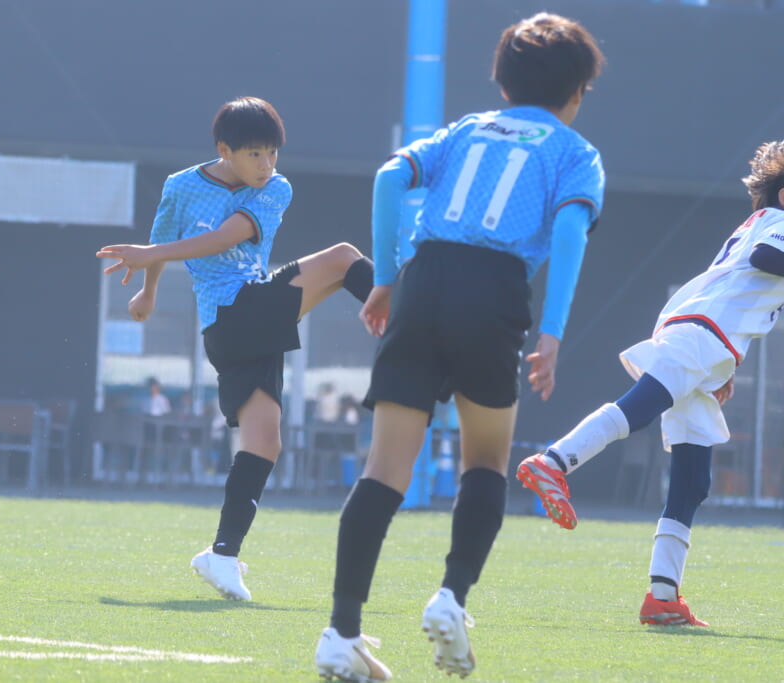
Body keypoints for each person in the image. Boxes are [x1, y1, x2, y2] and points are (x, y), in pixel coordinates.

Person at [314, 14, 605, 681]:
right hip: (493, 290)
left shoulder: (467, 129)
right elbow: (569, 233)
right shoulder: (574, 152)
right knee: (486, 461)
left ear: (502, 83)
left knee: (383, 469)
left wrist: (386, 277)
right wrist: (552, 331)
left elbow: (390, 177)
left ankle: (340, 631)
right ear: (577, 91)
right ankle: (450, 597)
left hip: (423, 281)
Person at [97, 96, 374, 602]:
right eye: (254, 154)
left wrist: (152, 256)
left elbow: (227, 237)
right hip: (233, 314)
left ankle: (222, 555)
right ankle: (411, 328)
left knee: (264, 443)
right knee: (342, 258)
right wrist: (149, 292)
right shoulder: (181, 185)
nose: (266, 164)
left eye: (273, 153)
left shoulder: (276, 187)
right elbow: (162, 237)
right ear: (224, 150)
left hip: (245, 321)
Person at [517, 139, 784, 629]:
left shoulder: (763, 221)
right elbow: (768, 259)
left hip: (704, 337)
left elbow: (743, 289)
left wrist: (723, 368)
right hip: (701, 333)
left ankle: (662, 596)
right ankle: (553, 462)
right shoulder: (776, 225)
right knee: (639, 407)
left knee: (692, 478)